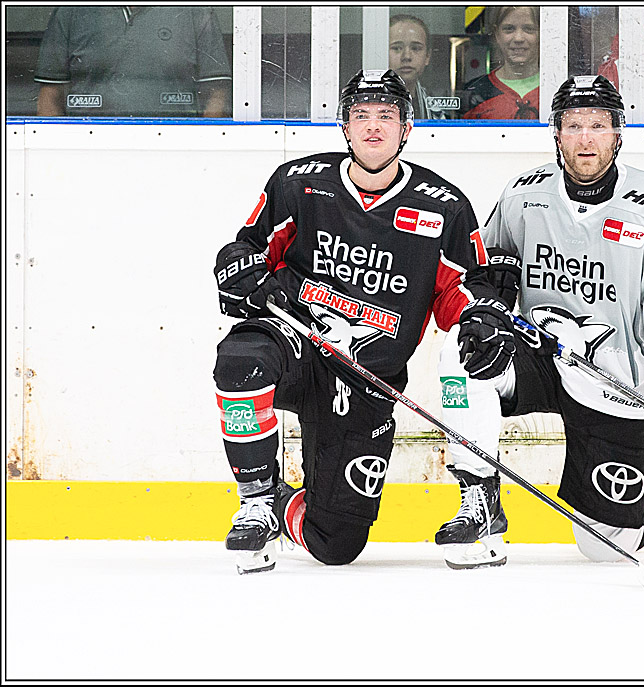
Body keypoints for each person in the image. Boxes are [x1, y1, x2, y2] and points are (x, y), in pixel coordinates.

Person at [212, 69, 513, 574]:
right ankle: (256, 500)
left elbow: (462, 290)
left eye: (386, 116)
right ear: (345, 126)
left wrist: (481, 317)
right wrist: (236, 267)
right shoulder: (298, 183)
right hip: (296, 341)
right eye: (361, 115)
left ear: (407, 128)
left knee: (334, 544)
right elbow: (249, 250)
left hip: (367, 378)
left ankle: (284, 503)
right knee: (241, 361)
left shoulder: (443, 206)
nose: (373, 126)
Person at [433, 75, 644, 569]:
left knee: (606, 547)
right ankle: (480, 498)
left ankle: (622, 512)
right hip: (538, 353)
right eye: (573, 125)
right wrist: (485, 311)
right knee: (462, 352)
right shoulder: (524, 195)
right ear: (556, 133)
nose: (585, 138)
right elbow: (487, 272)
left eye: (598, 125)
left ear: (618, 133)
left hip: (616, 378)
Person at [34, 6, 231, 117]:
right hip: (91, 150)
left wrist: (198, 156)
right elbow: (50, 96)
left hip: (173, 151)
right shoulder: (71, 10)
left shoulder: (196, 10)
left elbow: (216, 96)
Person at [461, 6, 540, 120]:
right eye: (509, 29)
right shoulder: (475, 93)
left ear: (541, 33)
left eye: (529, 29)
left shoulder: (559, 89)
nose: (518, 38)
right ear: (497, 34)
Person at [388, 14, 452, 120]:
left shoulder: (436, 112)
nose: (407, 56)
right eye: (397, 48)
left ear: (427, 56)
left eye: (416, 48)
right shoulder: (365, 105)